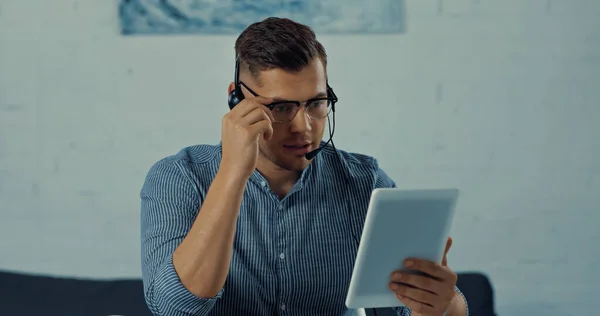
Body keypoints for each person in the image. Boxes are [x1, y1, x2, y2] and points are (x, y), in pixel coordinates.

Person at [140, 17, 469, 316]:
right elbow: (174, 307)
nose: (304, 127)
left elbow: (406, 310)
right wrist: (233, 172)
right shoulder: (179, 178)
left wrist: (444, 306)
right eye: (281, 107)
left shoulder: (365, 183)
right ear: (236, 100)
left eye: (316, 103)